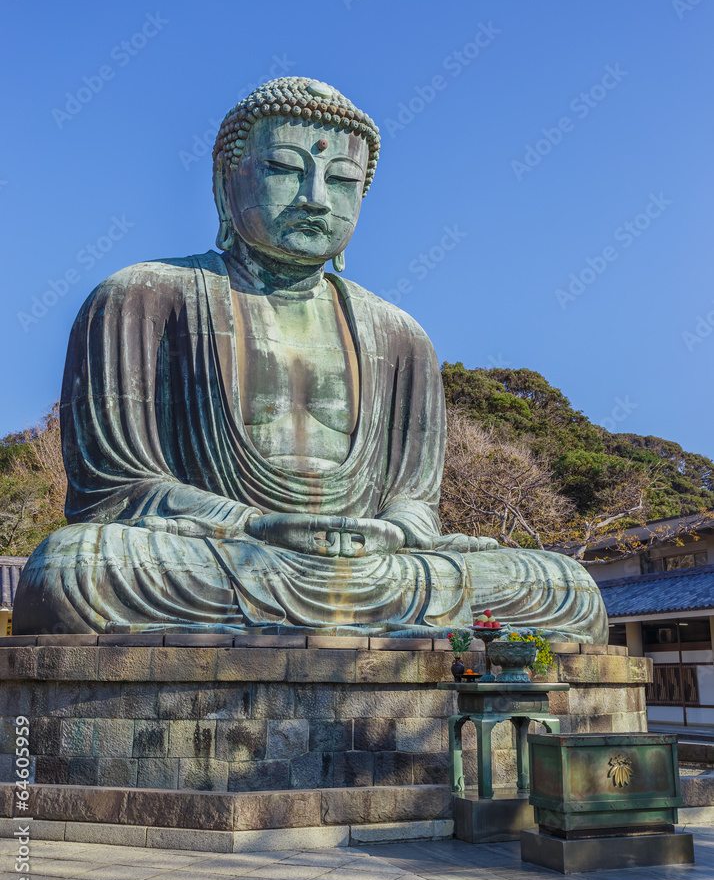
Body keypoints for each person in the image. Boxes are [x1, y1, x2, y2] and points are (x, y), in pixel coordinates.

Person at [14, 77, 606, 641]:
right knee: (73, 569)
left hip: (373, 566)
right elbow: (114, 492)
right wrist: (252, 525)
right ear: (227, 184)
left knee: (564, 587)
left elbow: (413, 501)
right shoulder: (142, 298)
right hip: (224, 554)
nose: (316, 198)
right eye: (284, 169)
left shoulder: (401, 336)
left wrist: (395, 531)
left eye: (343, 180)